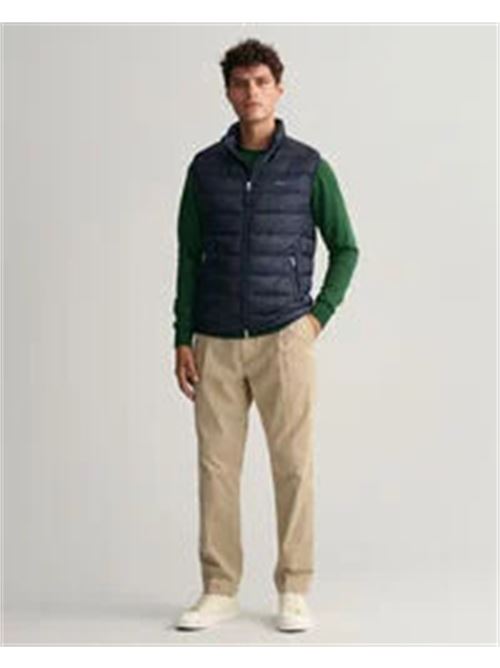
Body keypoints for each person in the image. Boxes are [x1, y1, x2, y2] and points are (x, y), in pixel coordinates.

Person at [172, 37, 360, 632]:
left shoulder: (309, 167)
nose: (251, 92)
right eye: (240, 83)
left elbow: (346, 247)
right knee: (216, 469)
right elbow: (188, 256)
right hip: (215, 339)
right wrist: (182, 336)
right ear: (228, 93)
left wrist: (316, 317)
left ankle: (294, 589)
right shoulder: (204, 169)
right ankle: (219, 588)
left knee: (293, 465)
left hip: (284, 337)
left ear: (279, 88)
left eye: (260, 82)